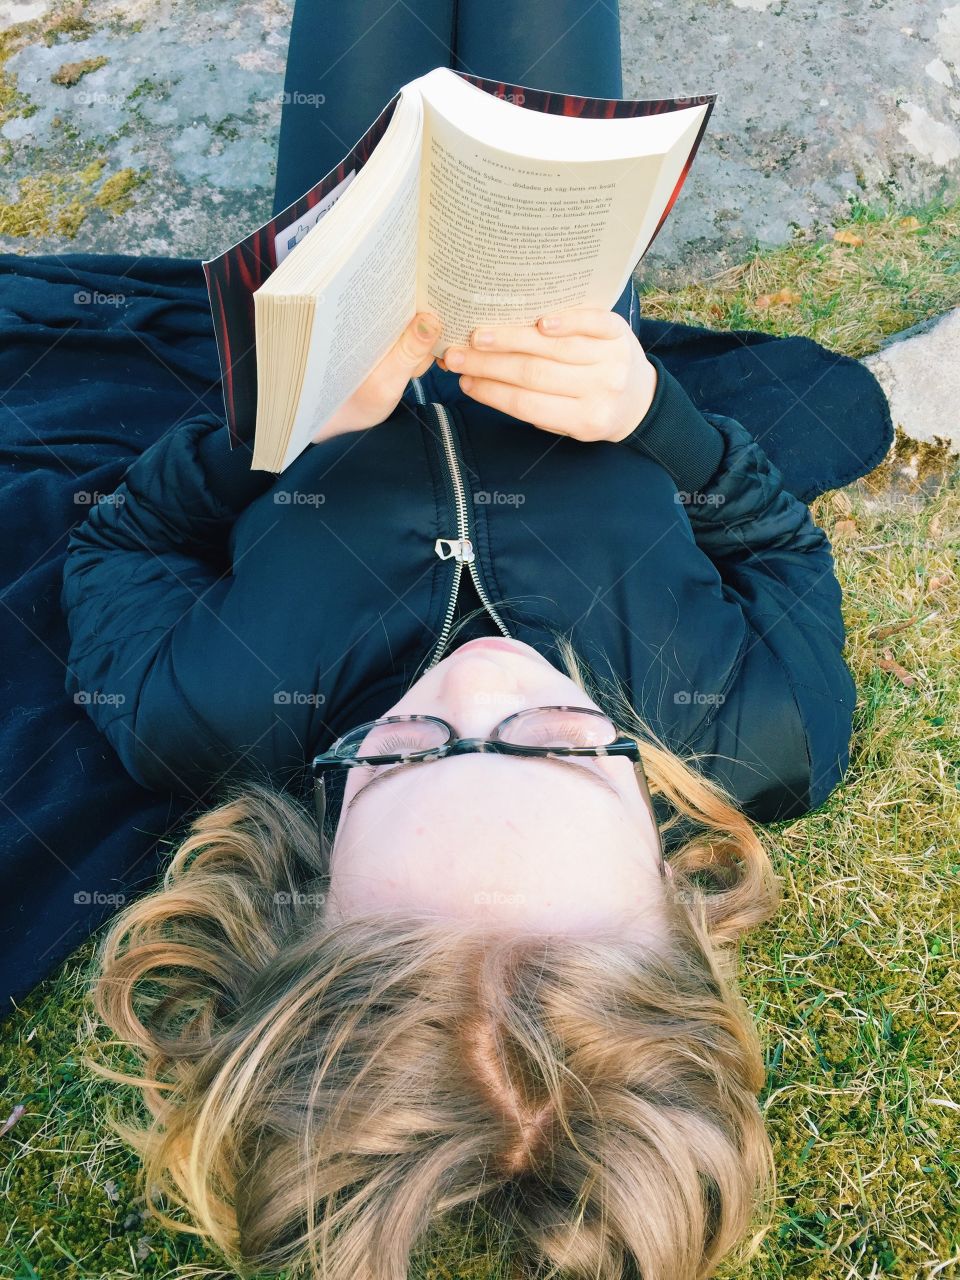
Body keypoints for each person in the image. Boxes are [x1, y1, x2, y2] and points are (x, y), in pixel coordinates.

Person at [62, 0, 857, 1276]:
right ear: (670, 879)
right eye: (556, 744)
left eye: (409, 752)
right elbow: (777, 549)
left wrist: (282, 419)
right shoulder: (765, 728)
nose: (480, 682)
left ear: (311, 876)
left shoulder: (206, 710)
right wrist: (661, 416)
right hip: (565, 285)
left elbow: (114, 544)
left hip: (347, 285)